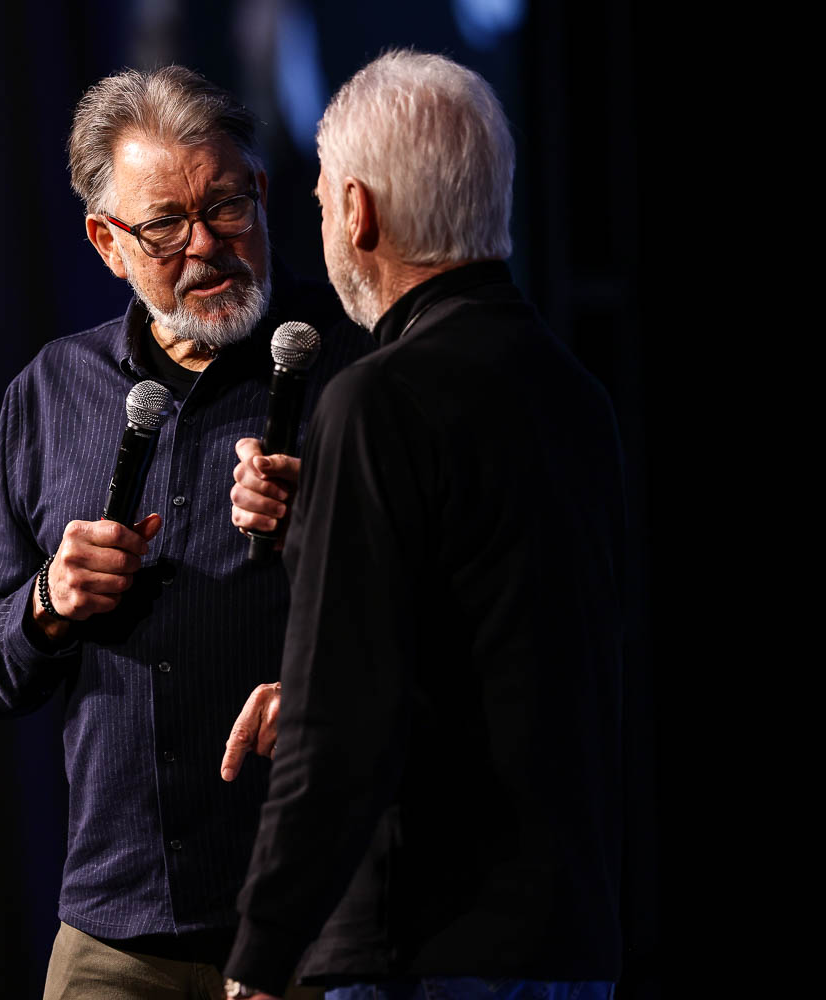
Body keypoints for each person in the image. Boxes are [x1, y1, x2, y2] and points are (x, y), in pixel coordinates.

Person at [219, 50, 626, 1000]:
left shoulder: (375, 401)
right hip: (570, 946)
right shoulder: (581, 400)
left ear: (356, 210)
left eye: (318, 202)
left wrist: (262, 956)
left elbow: (343, 716)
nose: (321, 223)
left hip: (421, 950)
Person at [0, 65, 369, 1000]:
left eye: (226, 206)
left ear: (264, 192)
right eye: (165, 227)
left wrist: (333, 533)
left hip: (313, 924)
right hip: (114, 935)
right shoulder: (50, 393)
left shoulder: (358, 363)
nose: (207, 247)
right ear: (108, 243)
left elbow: (464, 615)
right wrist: (46, 604)